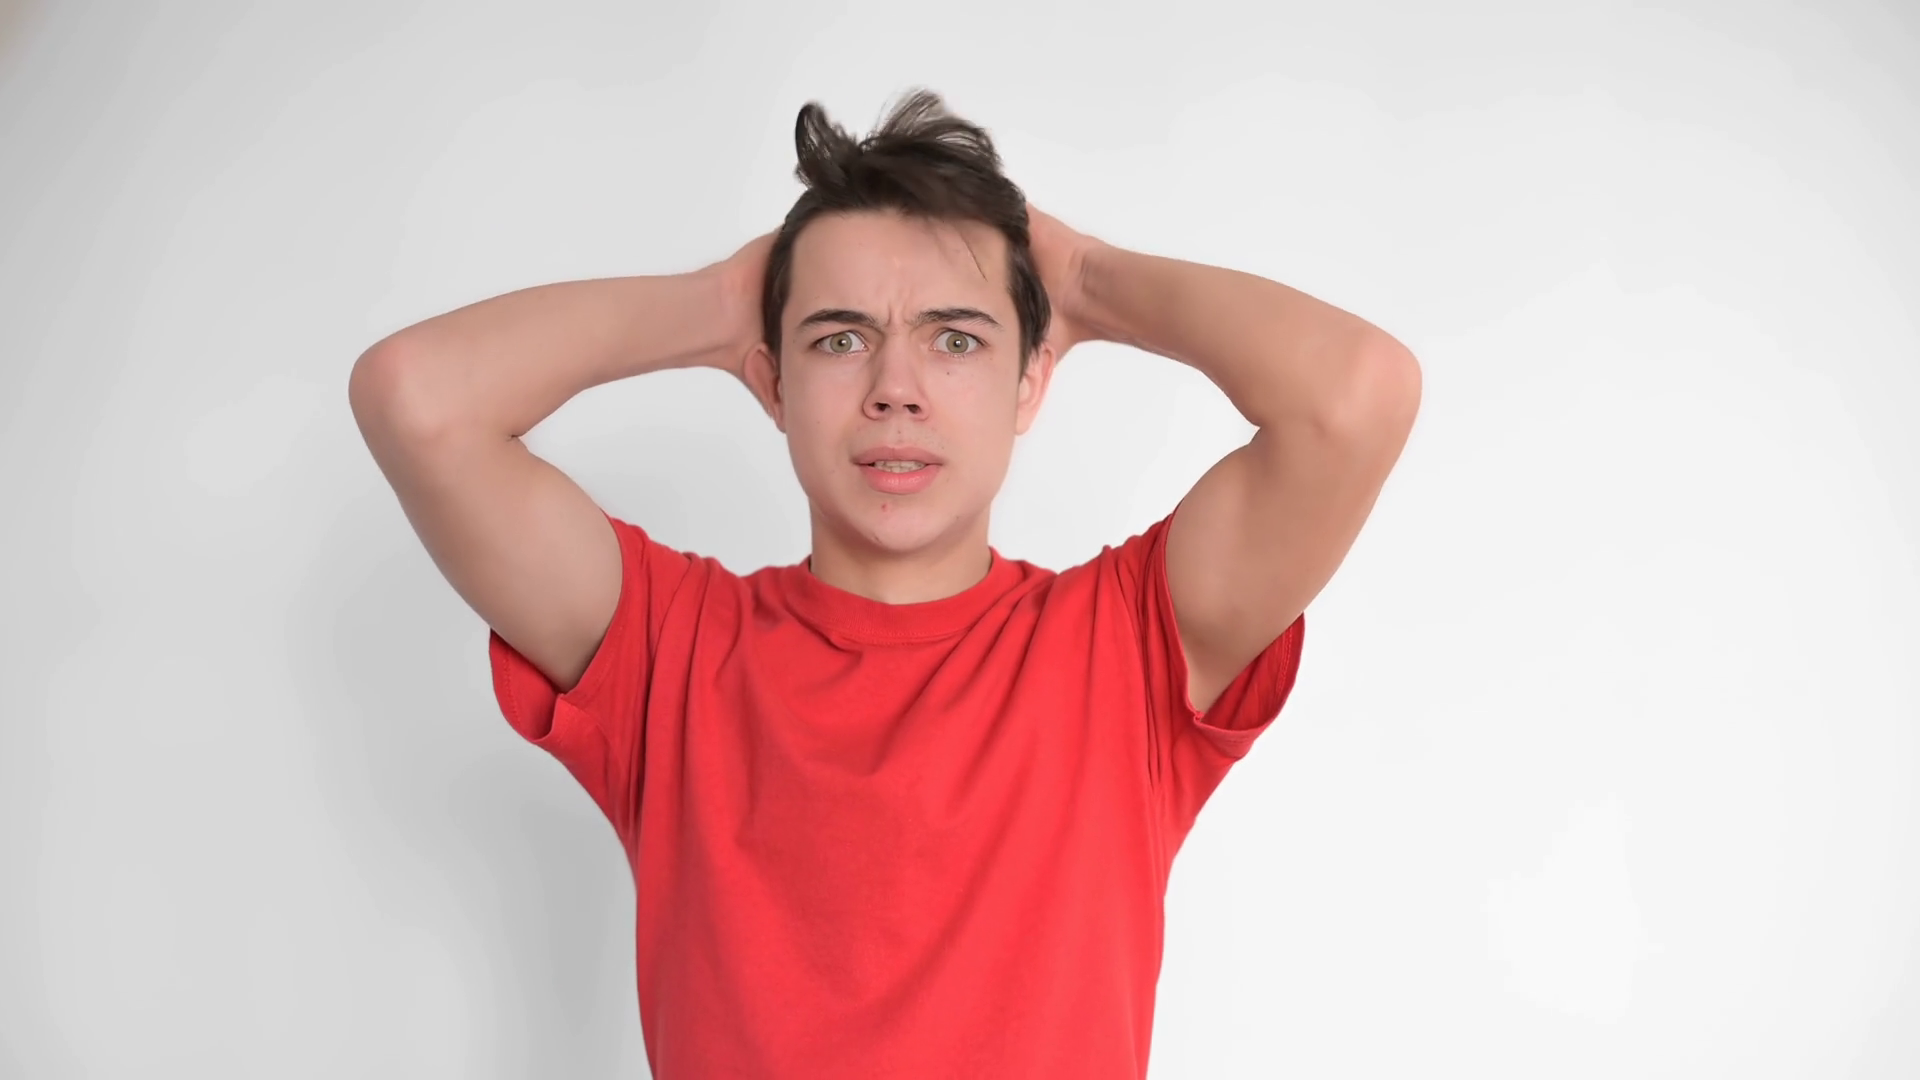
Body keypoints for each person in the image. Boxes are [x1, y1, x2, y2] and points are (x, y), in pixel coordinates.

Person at [348, 88, 1420, 1078]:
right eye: (840, 339)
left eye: (955, 339)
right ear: (770, 379)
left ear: (1030, 383)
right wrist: (721, 302)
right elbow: (418, 400)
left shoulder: (1130, 644)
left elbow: (1357, 395)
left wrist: (1085, 278)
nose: (895, 389)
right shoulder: (667, 649)